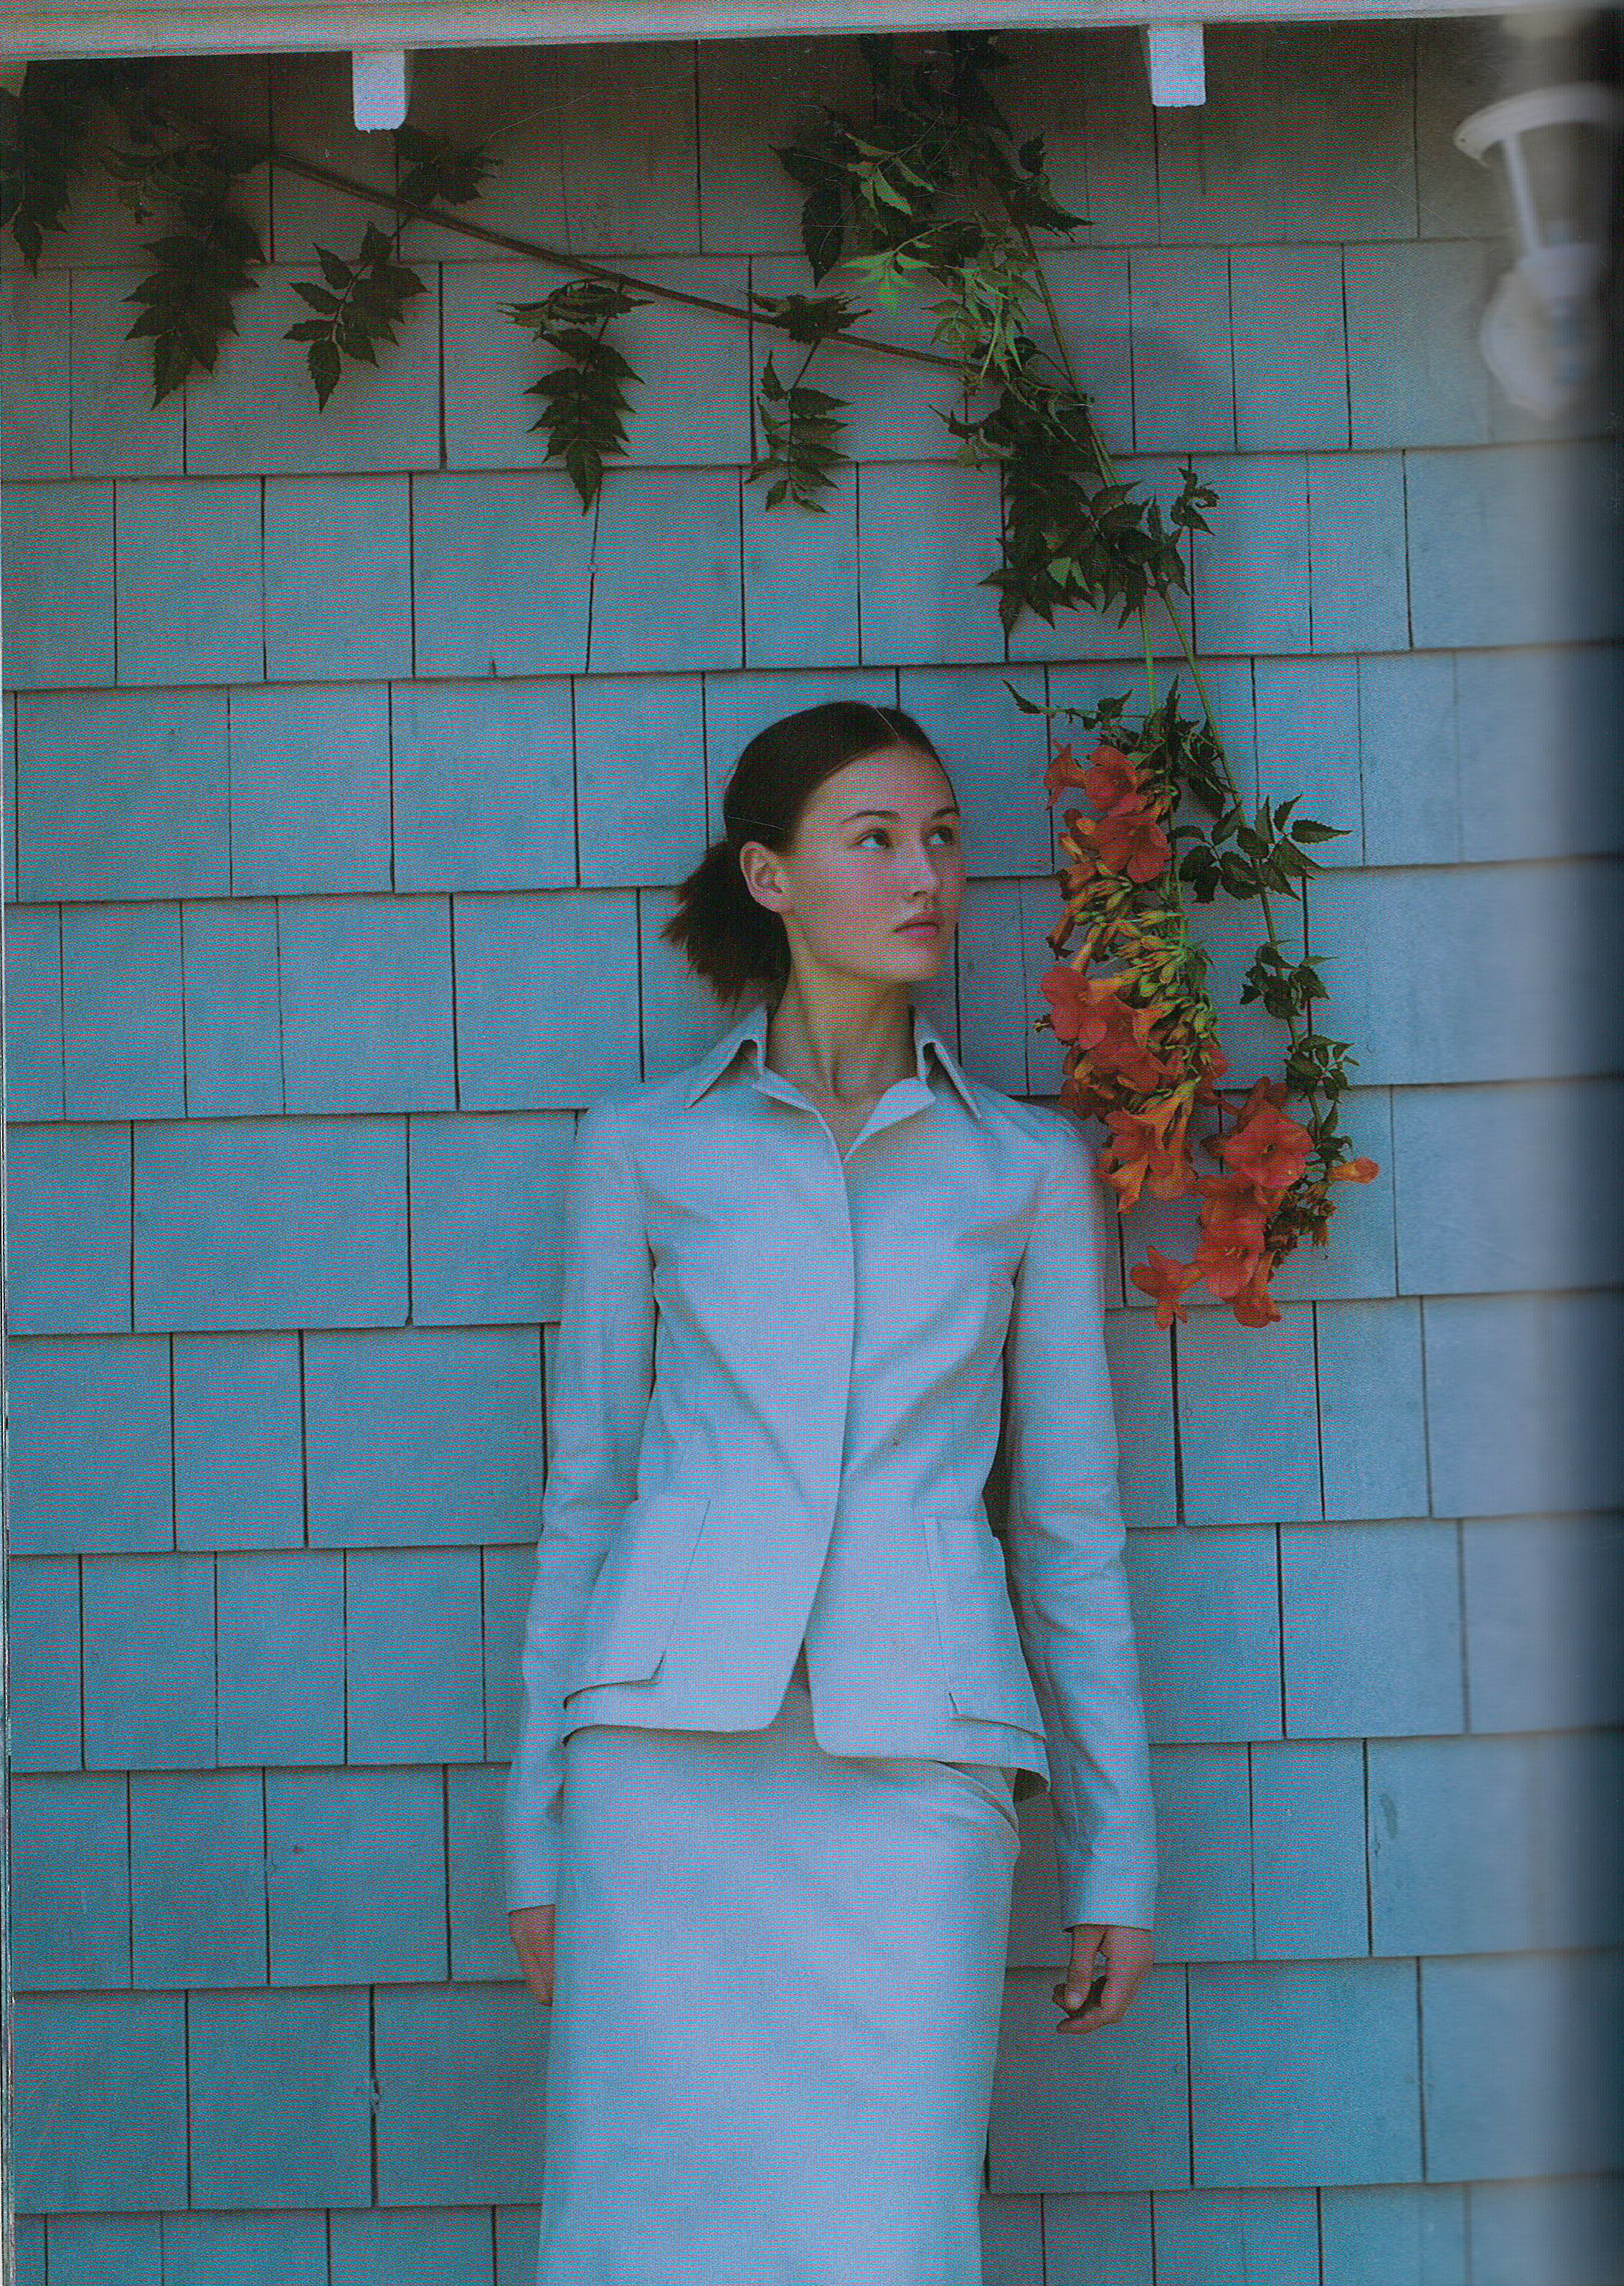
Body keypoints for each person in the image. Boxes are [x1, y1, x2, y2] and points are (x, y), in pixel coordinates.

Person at [504, 699, 1158, 2285]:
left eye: (942, 838)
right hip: (662, 1767)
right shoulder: (643, 1146)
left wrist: (1115, 1855)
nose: (924, 874)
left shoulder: (1022, 1167)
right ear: (771, 875)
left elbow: (1067, 1534)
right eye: (875, 839)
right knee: (643, 2233)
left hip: (918, 1757)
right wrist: (534, 1837)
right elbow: (587, 1498)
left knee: (891, 2232)